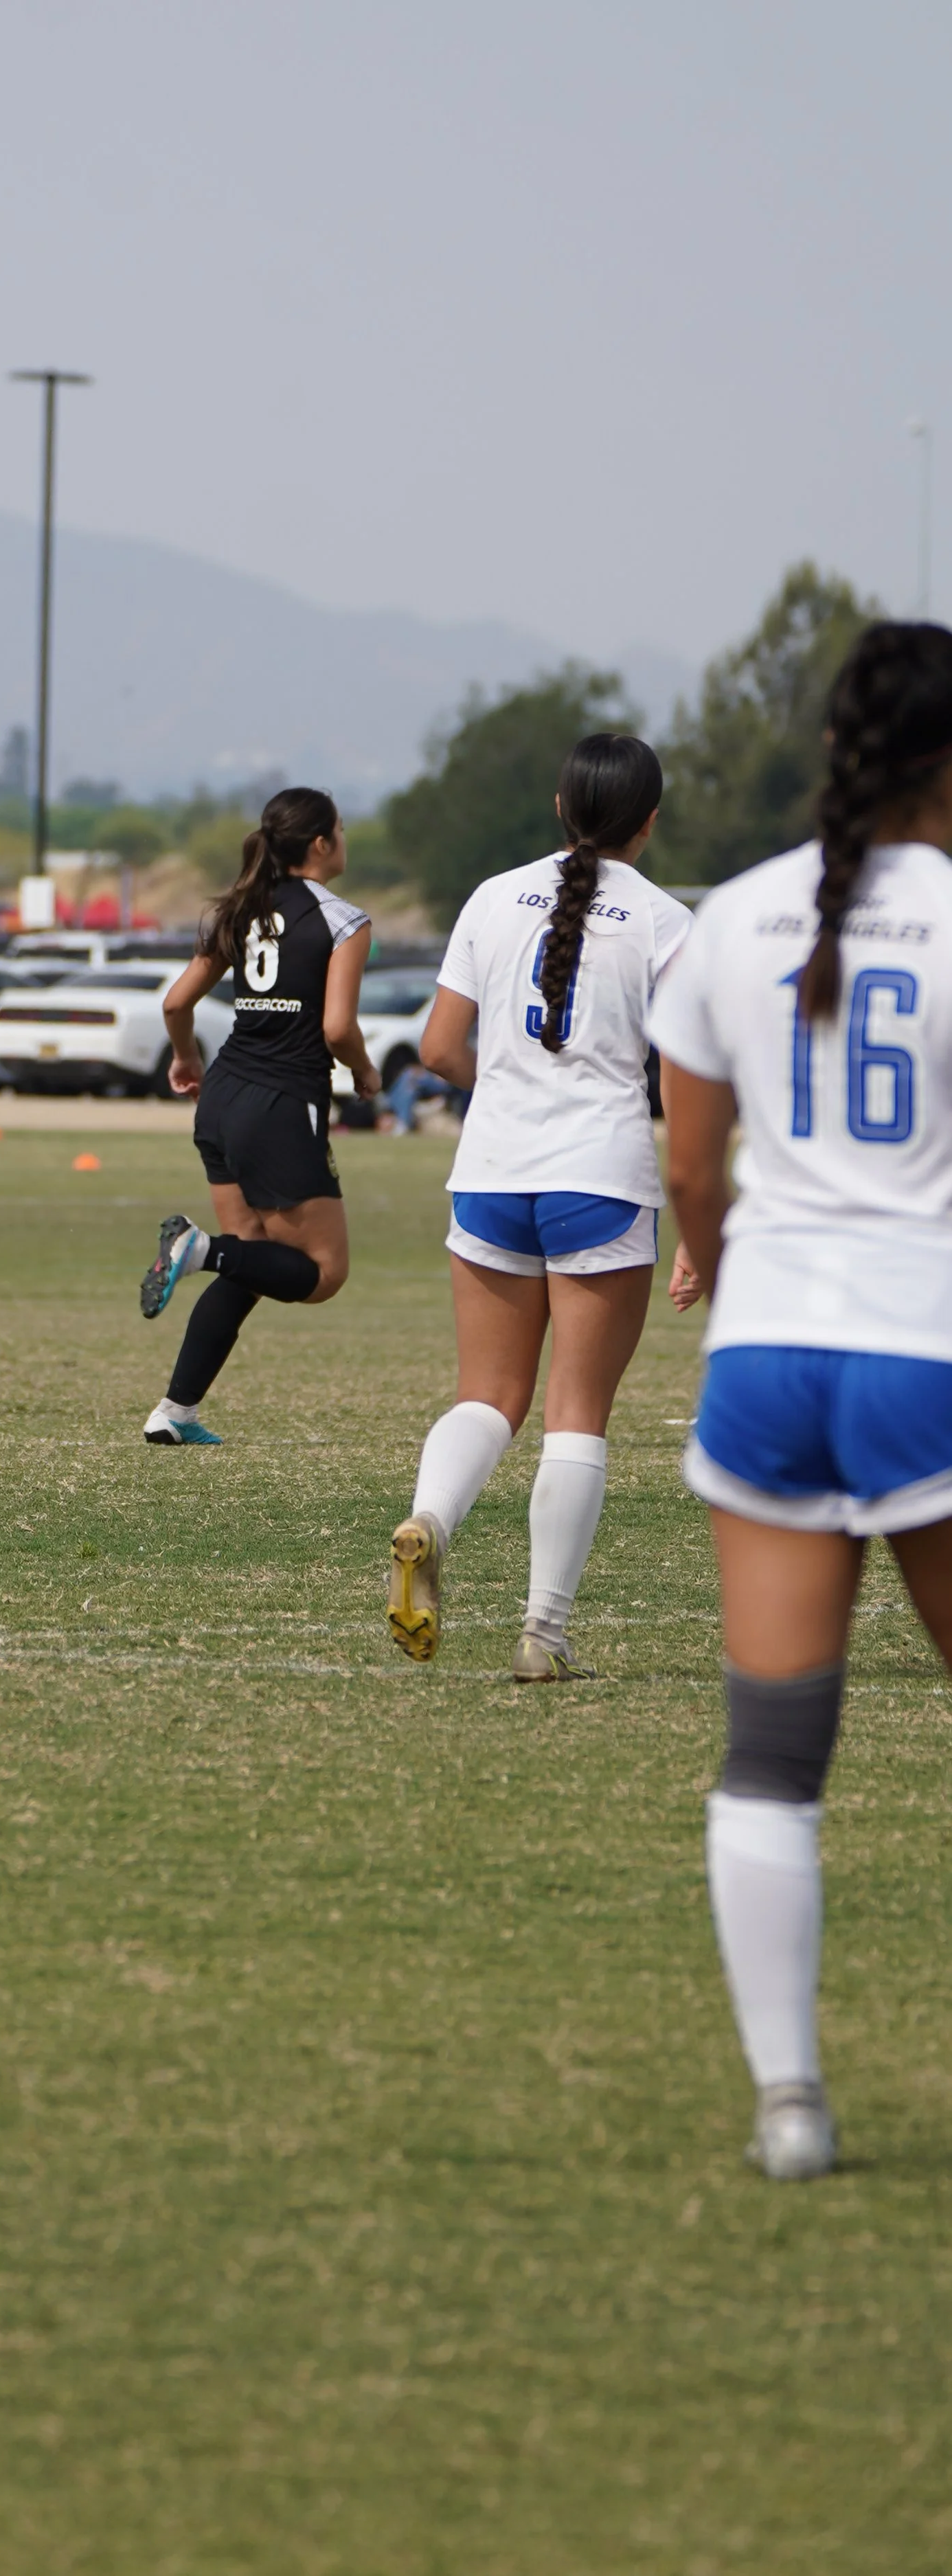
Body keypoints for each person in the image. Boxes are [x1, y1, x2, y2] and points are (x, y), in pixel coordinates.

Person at [650, 618, 952, 2182]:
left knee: (772, 1753)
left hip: (765, 1358)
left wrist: (720, 1261)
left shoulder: (740, 914)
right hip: (929, 1354)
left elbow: (691, 1165)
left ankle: (790, 2102)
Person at [387, 735, 692, 1677]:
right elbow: (686, 1096)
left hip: (490, 1171)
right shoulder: (669, 922)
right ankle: (543, 1634)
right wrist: (700, 1229)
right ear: (649, 820)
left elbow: (438, 1049)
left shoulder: (490, 896)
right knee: (576, 1414)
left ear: (561, 803)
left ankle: (430, 1518)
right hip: (599, 1178)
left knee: (490, 1396)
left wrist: (509, 1093)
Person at [136, 787, 381, 1445]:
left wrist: (186, 1059)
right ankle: (199, 1248)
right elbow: (336, 1028)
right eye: (341, 828)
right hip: (280, 1106)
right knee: (322, 1274)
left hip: (222, 1096)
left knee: (250, 1262)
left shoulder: (241, 908)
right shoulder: (345, 921)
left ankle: (175, 1413)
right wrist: (364, 1068)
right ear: (322, 843)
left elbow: (175, 1003)